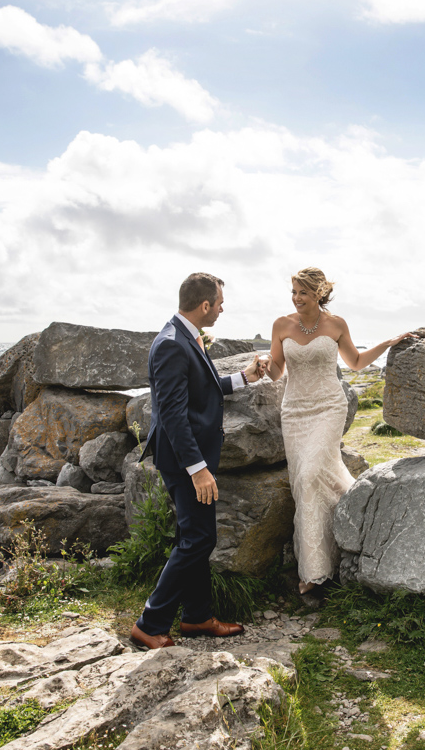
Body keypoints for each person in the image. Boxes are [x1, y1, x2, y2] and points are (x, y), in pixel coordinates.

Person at [131, 272, 268, 649]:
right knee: (198, 539)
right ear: (205, 305)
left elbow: (201, 389)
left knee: (194, 537)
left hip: (188, 459)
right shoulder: (172, 344)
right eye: (220, 303)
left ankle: (196, 617)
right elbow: (173, 415)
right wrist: (199, 470)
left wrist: (244, 378)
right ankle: (151, 623)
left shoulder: (186, 336)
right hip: (182, 462)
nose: (223, 309)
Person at [263, 267, 415, 595]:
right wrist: (265, 365)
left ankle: (313, 573)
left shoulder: (336, 324)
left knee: (310, 474)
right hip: (295, 412)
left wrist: (388, 343)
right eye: (293, 292)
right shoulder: (281, 324)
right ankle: (335, 545)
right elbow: (277, 372)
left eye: (303, 292)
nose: (296, 298)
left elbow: (356, 362)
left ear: (319, 292)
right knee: (306, 480)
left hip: (329, 407)